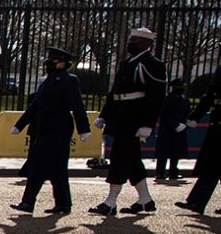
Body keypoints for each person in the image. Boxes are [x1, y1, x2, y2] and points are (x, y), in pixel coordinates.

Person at [90, 26, 165, 216]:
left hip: (134, 117)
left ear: (147, 44)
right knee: (132, 161)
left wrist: (148, 124)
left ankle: (111, 201)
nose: (131, 44)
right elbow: (114, 93)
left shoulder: (151, 64)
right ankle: (146, 200)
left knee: (120, 158)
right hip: (121, 116)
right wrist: (104, 115)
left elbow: (156, 97)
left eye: (136, 41)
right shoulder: (127, 63)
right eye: (131, 40)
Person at [9, 47, 91, 214]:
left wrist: (84, 129)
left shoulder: (69, 80)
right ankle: (63, 204)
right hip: (45, 128)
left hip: (59, 129)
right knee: (57, 169)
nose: (48, 64)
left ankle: (28, 202)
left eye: (53, 61)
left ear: (62, 63)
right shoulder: (47, 81)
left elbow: (77, 106)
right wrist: (20, 124)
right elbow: (35, 106)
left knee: (38, 165)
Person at [177, 36, 221, 215]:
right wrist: (195, 116)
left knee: (217, 164)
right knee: (214, 164)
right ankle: (196, 202)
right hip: (219, 120)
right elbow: (210, 95)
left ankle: (197, 202)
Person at [154, 77, 189, 182]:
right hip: (167, 130)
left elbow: (188, 114)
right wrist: (175, 125)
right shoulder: (167, 99)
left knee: (176, 152)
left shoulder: (184, 100)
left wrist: (184, 125)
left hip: (180, 129)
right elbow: (164, 115)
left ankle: (173, 172)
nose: (181, 88)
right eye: (179, 86)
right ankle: (160, 172)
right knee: (163, 153)